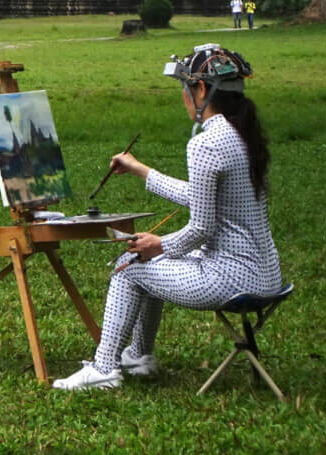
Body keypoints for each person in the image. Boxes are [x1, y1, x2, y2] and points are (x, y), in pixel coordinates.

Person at [53, 44, 280, 391]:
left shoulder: (206, 142)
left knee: (128, 265)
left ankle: (104, 368)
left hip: (231, 279)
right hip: (265, 275)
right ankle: (139, 357)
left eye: (185, 91)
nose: (184, 99)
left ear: (201, 90)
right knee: (151, 260)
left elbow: (201, 228)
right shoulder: (242, 134)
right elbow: (202, 197)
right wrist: (142, 171)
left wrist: (158, 244)